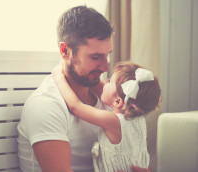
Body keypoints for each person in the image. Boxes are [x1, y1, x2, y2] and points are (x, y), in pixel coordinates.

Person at [17, 5, 151, 172]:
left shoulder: (113, 99)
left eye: (107, 55)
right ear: (65, 51)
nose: (104, 67)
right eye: (95, 57)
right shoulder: (45, 106)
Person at [52, 61, 161, 172]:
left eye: (109, 81)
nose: (105, 82)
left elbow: (76, 106)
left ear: (118, 102)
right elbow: (110, 93)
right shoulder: (139, 119)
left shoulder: (113, 121)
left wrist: (59, 78)